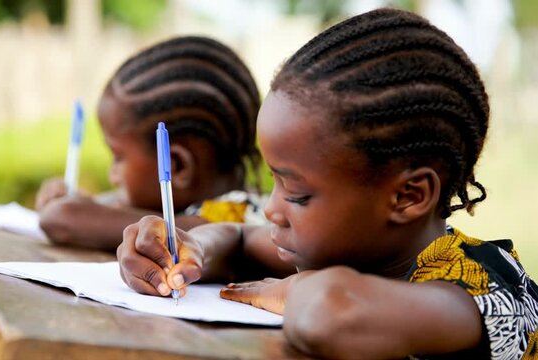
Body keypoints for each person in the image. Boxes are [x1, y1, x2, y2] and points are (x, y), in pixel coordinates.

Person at [117, 8, 538, 359]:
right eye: (274, 183)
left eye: (297, 194)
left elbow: (330, 313)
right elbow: (240, 239)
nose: (272, 209)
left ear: (408, 195)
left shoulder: (481, 289)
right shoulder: (354, 246)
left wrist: (296, 288)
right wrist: (193, 251)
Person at [36, 36, 265, 250]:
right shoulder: (189, 207)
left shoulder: (237, 218)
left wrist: (69, 209)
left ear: (176, 165)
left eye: (118, 157)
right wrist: (84, 201)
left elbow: (64, 219)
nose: (112, 176)